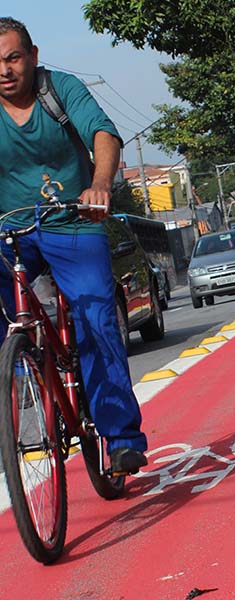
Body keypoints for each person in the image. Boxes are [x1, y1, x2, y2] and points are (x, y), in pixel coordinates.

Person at [0, 17, 147, 474]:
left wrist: (100, 184)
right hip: (10, 232)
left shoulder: (59, 90)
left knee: (97, 313)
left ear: (33, 55)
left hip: (71, 221)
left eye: (12, 57)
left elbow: (102, 134)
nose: (4, 70)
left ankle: (121, 438)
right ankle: (21, 378)